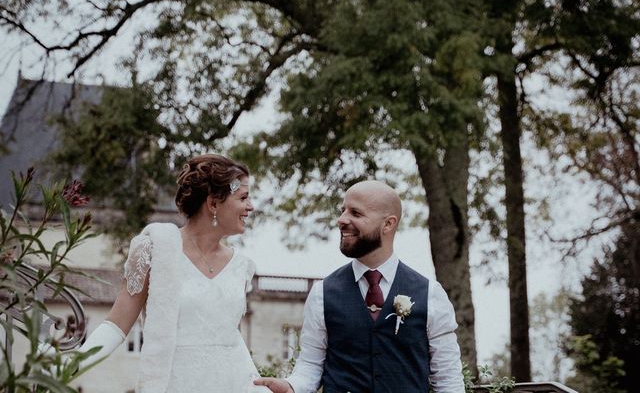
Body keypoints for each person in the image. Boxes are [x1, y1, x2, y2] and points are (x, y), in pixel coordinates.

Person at [74, 153, 270, 392]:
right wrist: (70, 365)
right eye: (244, 197)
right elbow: (116, 326)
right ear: (214, 204)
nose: (251, 207)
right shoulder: (155, 249)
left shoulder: (242, 267)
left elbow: (231, 341)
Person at [254, 180, 465, 393]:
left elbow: (448, 378)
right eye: (342, 210)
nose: (341, 219)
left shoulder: (430, 295)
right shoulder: (322, 294)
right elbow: (310, 364)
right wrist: (292, 387)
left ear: (388, 224)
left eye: (355, 213)